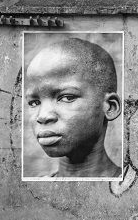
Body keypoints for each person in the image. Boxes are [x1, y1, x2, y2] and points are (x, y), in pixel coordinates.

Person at [24, 36, 122, 178]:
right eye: (34, 103)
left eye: (67, 98)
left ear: (110, 107)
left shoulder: (134, 188)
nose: (43, 116)